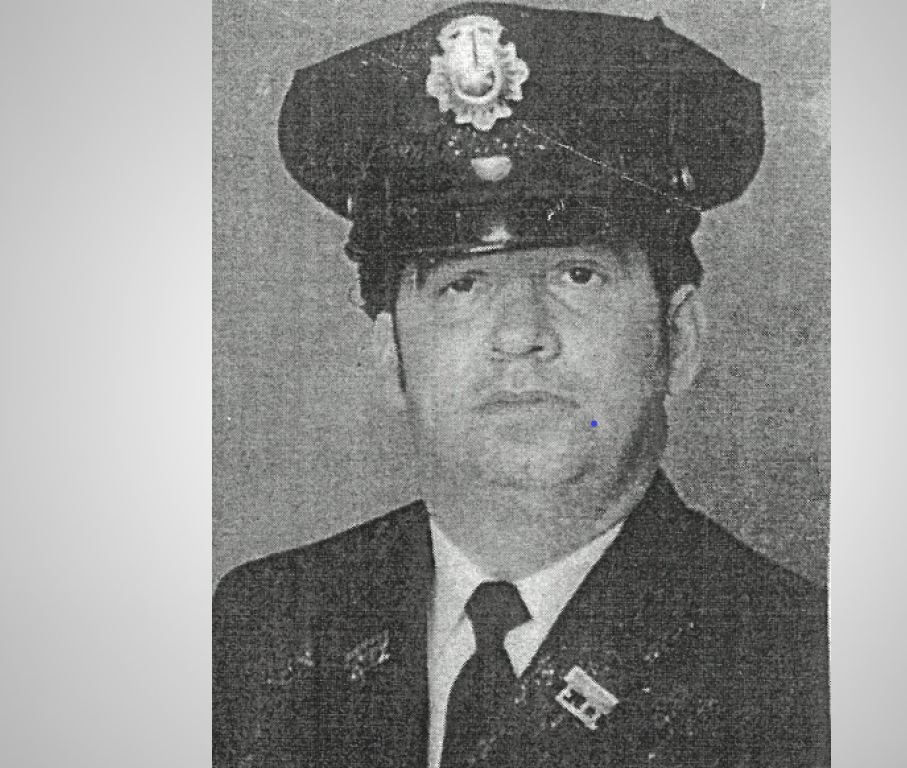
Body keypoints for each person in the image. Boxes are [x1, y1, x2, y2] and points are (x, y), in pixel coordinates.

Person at [213, 3, 829, 767]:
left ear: (678, 340)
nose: (520, 334)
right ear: (390, 356)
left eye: (578, 274)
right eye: (462, 286)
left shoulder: (795, 668)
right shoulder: (265, 632)